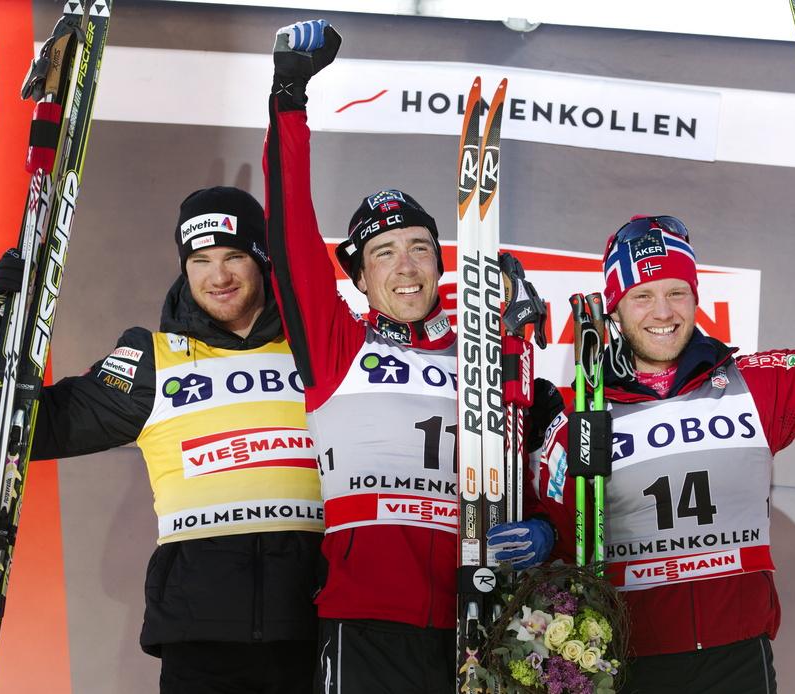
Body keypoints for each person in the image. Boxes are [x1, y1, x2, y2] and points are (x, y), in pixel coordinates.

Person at [263, 20, 554, 694]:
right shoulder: (338, 346)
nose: (406, 267)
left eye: (420, 247)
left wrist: (544, 532)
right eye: (383, 253)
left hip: (479, 613)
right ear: (359, 279)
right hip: (367, 617)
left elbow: (533, 464)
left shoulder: (481, 346)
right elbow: (289, 232)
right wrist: (287, 101)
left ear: (441, 262)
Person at [530, 207, 795, 693]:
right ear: (613, 308)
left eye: (677, 293)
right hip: (627, 659)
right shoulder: (580, 411)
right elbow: (568, 533)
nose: (663, 312)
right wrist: (539, 534)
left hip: (736, 656)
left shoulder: (754, 385)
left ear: (696, 297)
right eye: (642, 297)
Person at [0, 187, 323, 693]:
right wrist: (8, 323)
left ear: (262, 260)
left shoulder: (320, 349)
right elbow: (31, 426)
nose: (219, 276)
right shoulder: (152, 360)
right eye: (201, 259)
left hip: (315, 626)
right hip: (201, 635)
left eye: (234, 256)